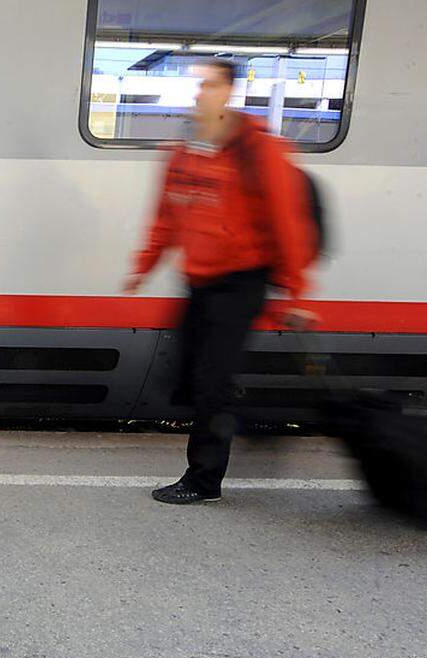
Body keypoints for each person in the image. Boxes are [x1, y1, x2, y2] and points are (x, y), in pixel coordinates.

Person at [123, 58, 318, 505]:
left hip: (240, 282)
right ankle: (241, 414)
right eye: (195, 85)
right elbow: (167, 214)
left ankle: (203, 480)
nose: (198, 93)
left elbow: (288, 223)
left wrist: (298, 291)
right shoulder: (182, 150)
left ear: (229, 91)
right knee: (185, 377)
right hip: (199, 281)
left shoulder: (260, 150)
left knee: (209, 382)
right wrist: (144, 265)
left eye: (208, 85)